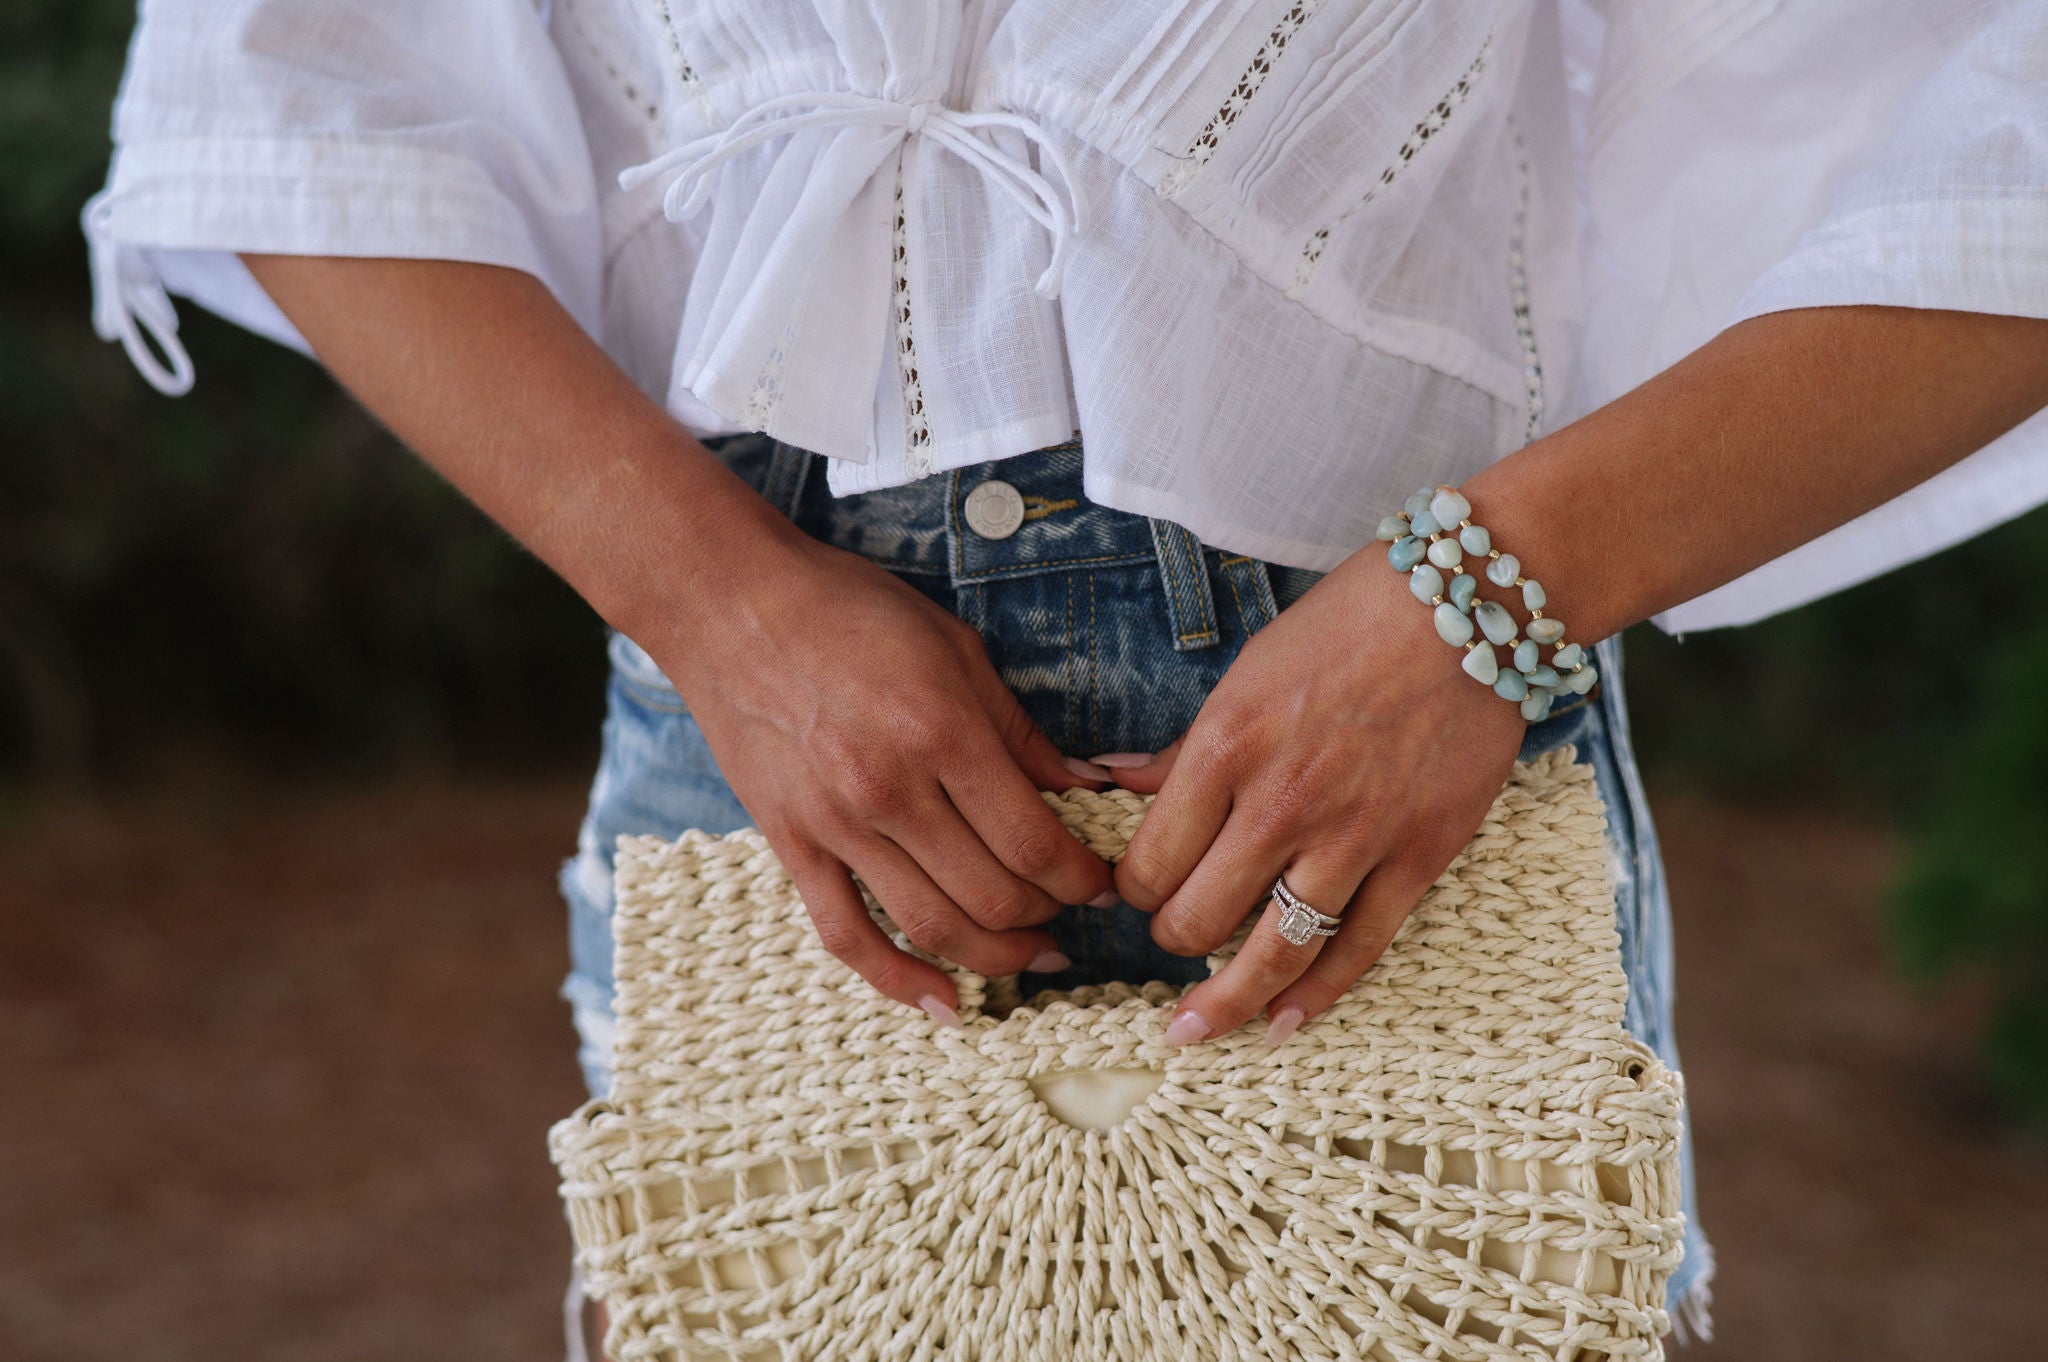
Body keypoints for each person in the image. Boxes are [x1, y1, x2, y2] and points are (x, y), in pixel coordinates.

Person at [84, 0, 2048, 1347]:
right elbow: (289, 94)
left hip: (1373, 771)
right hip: (784, 767)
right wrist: (727, 619)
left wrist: (1498, 589)